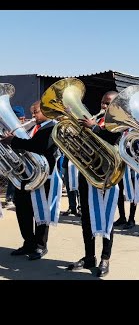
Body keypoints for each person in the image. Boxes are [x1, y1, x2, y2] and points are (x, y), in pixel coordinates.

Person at [66, 91, 121, 277]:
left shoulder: (119, 123)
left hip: (106, 176)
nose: (104, 106)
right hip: (87, 173)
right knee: (86, 218)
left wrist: (95, 128)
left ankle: (105, 258)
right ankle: (90, 256)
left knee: (106, 218)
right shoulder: (94, 120)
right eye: (102, 103)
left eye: (108, 103)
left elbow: (113, 141)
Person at [1, 101, 61, 260]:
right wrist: (12, 142)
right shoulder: (34, 128)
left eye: (36, 112)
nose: (33, 116)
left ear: (47, 111)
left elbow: (38, 146)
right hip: (26, 175)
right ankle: (28, 242)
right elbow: (25, 147)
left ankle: (40, 246)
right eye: (33, 112)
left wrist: (14, 141)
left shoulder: (52, 128)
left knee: (41, 211)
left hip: (43, 176)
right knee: (22, 209)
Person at [3, 105, 26, 208]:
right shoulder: (6, 127)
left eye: (23, 118)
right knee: (13, 176)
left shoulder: (23, 127)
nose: (23, 120)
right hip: (10, 154)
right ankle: (9, 197)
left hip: (21, 155)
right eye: (20, 118)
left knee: (21, 176)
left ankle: (16, 197)